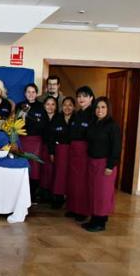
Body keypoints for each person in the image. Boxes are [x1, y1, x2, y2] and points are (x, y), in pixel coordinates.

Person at [82, 97, 121, 232]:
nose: (100, 110)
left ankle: (100, 222)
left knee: (103, 194)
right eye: (98, 107)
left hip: (105, 165)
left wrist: (110, 165)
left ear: (108, 109)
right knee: (93, 192)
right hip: (92, 162)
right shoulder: (94, 123)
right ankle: (95, 218)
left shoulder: (113, 126)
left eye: (103, 107)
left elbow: (116, 147)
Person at [66, 86, 95, 222]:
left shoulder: (93, 115)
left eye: (84, 96)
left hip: (84, 152)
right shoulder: (76, 114)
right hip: (73, 150)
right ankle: (73, 208)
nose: (81, 99)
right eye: (79, 96)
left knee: (82, 182)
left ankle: (82, 211)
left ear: (91, 98)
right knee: (73, 181)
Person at [16, 83, 45, 202]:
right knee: (22, 166)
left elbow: (44, 124)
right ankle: (20, 195)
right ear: (25, 93)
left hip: (36, 141)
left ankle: (32, 196)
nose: (31, 94)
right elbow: (14, 123)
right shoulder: (20, 105)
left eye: (33, 92)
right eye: (28, 92)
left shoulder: (41, 106)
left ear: (36, 93)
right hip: (22, 140)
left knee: (35, 168)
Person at [50, 97, 76, 209]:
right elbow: (51, 138)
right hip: (60, 151)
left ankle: (71, 199)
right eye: (65, 105)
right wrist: (52, 152)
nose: (67, 107)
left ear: (74, 107)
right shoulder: (57, 118)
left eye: (70, 105)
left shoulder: (77, 118)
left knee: (72, 175)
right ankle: (58, 198)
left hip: (74, 151)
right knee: (59, 175)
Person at [40, 96, 58, 202]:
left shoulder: (59, 118)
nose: (50, 107)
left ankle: (55, 195)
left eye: (53, 104)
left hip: (56, 149)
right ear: (44, 106)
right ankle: (44, 194)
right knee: (44, 171)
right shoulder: (41, 118)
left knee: (54, 172)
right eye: (47, 104)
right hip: (43, 148)